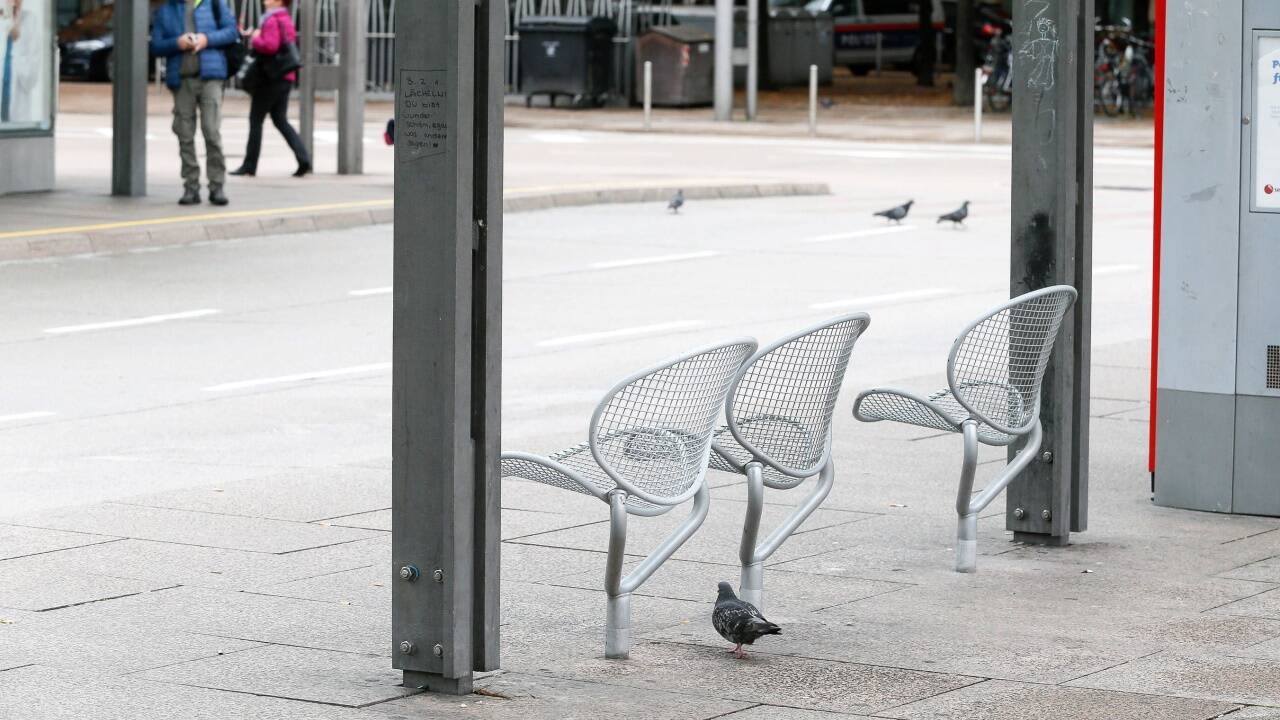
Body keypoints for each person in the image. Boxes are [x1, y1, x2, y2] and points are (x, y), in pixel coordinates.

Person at [151, 0, 238, 206]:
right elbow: (155, 45)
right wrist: (177, 43)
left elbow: (231, 32)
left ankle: (217, 186)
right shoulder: (166, 10)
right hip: (181, 80)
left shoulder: (215, 4)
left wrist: (206, 39)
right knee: (185, 134)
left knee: (211, 131)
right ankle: (191, 186)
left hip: (211, 77)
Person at [231, 0, 310, 178]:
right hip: (285, 76)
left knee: (255, 120)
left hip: (271, 78)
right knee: (280, 119)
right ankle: (303, 158)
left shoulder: (273, 19)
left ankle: (249, 165)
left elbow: (270, 45)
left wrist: (256, 37)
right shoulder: (285, 18)